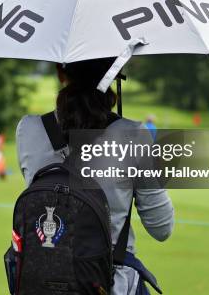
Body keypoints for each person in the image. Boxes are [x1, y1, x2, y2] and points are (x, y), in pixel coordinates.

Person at [16, 59, 174, 295]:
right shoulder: (133, 135)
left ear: (61, 72)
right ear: (114, 73)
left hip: (41, 280)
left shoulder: (28, 129)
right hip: (110, 284)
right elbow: (162, 228)